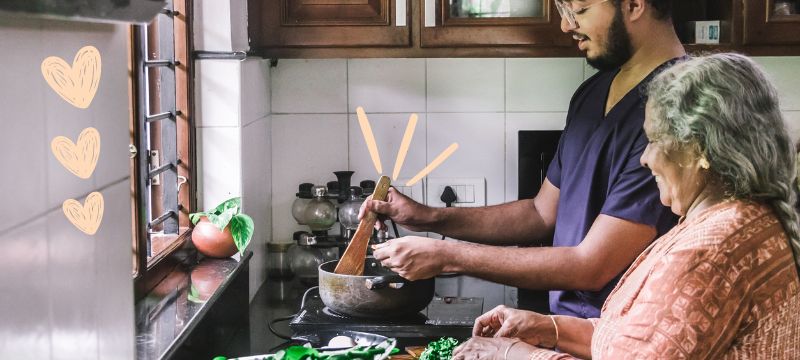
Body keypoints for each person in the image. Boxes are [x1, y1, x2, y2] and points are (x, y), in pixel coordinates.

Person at [451, 52, 800, 359]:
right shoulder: (737, 220)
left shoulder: (708, 250)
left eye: (655, 141)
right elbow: (642, 341)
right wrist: (552, 328)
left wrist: (515, 354)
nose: (646, 159)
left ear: (699, 151)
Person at [361, 0, 682, 318]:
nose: (567, 25)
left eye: (580, 11)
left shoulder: (680, 112)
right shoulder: (593, 92)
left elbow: (592, 265)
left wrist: (446, 256)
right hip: (567, 331)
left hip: (622, 338)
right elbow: (540, 213)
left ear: (634, 5)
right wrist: (424, 217)